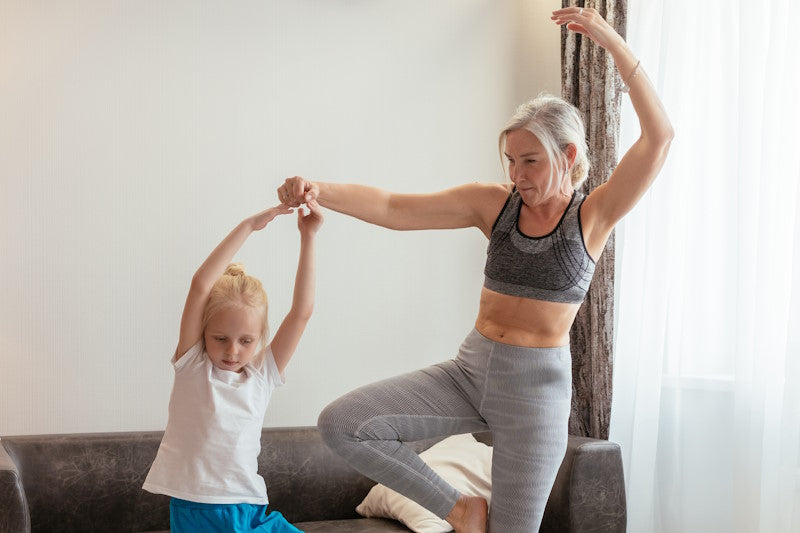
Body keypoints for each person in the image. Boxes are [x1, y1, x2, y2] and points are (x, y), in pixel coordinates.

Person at [278, 7, 672, 533]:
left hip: (534, 399)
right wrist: (318, 190)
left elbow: (660, 136)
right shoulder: (494, 205)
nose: (516, 173)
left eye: (529, 160)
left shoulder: (591, 217)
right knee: (343, 424)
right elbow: (395, 207)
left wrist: (608, 38)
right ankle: (461, 508)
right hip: (470, 370)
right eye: (511, 159)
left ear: (568, 154)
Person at [143, 201, 324, 532]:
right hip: (198, 508)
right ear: (204, 333)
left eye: (246, 341)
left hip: (249, 505)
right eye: (220, 338)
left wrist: (308, 236)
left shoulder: (262, 374)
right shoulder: (192, 365)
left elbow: (302, 311)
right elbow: (200, 284)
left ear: (259, 339)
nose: (232, 350)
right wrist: (249, 226)